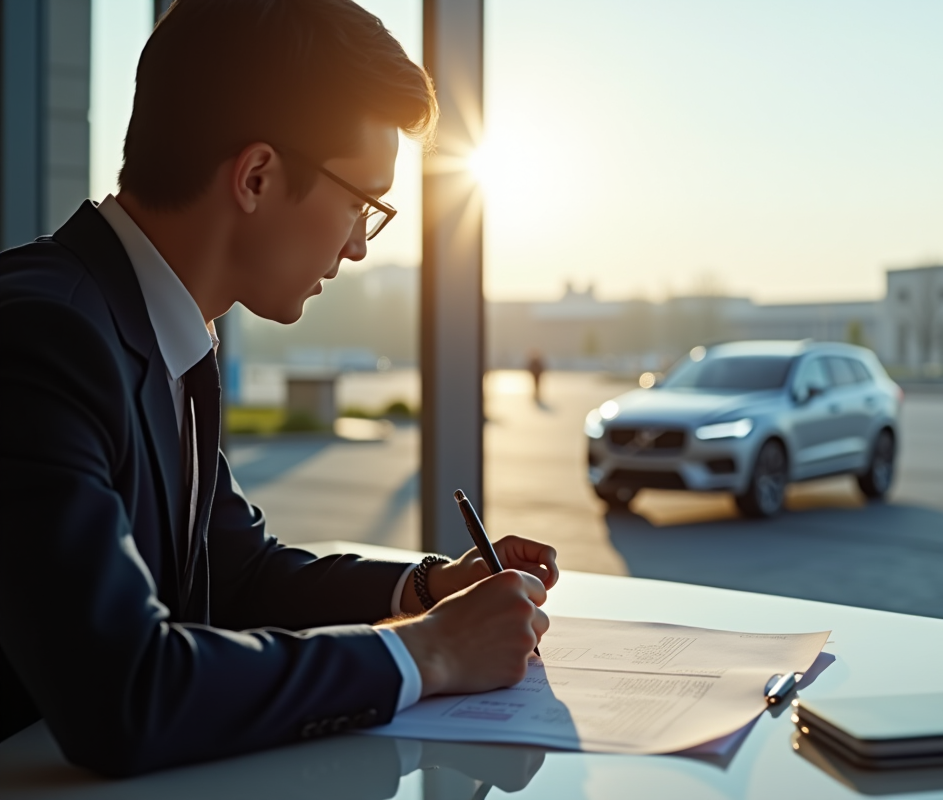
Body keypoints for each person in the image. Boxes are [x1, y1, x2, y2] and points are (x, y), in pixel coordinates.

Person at [0, 0, 556, 777]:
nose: (361, 245)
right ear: (257, 176)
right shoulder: (41, 335)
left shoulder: (158, 330)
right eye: (362, 203)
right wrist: (426, 652)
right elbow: (121, 692)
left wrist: (428, 586)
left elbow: (240, 578)